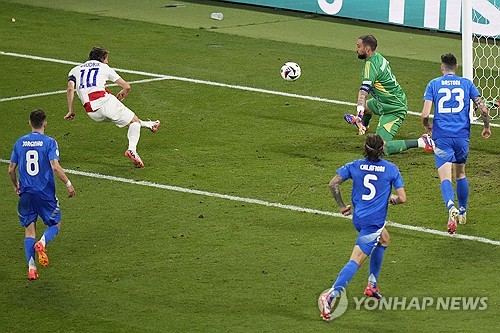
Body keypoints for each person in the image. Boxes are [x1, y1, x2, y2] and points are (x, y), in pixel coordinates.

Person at [318, 134, 406, 321]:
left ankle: (372, 285)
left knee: (385, 239)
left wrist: (342, 206)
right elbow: (403, 198)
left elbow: (333, 184)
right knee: (356, 260)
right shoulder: (391, 169)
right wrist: (393, 200)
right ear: (383, 149)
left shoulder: (355, 165)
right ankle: (330, 296)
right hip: (373, 222)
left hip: (359, 217)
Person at [421, 53, 491, 234]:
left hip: (442, 137)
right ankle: (463, 210)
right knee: (460, 174)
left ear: (441, 67)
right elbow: (483, 109)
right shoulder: (467, 84)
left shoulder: (434, 84)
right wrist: (486, 127)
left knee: (445, 177)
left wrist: (428, 125)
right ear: (457, 67)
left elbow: (424, 114)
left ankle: (450, 206)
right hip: (462, 137)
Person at [65, 46, 160, 168]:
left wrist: (71, 110)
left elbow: (70, 89)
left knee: (128, 119)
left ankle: (150, 124)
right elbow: (127, 86)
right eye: (107, 59)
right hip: (103, 102)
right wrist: (124, 92)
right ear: (102, 59)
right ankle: (132, 150)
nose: (107, 62)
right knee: (134, 122)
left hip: (91, 112)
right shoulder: (104, 67)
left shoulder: (74, 70)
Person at [8, 109, 76, 280]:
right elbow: (55, 166)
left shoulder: (20, 142)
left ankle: (31, 268)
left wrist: (16, 185)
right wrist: (68, 184)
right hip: (44, 193)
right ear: (45, 123)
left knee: (29, 231)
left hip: (26, 194)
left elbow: (10, 170)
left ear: (30, 123)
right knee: (56, 223)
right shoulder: (50, 142)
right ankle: (43, 243)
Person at [344, 34, 434, 155]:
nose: (356, 49)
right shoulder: (378, 57)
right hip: (385, 100)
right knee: (366, 107)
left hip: (394, 108)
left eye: (358, 46)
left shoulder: (370, 67)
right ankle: (364, 125)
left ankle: (422, 142)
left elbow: (363, 93)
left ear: (367, 49)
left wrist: (359, 113)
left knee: (380, 148)